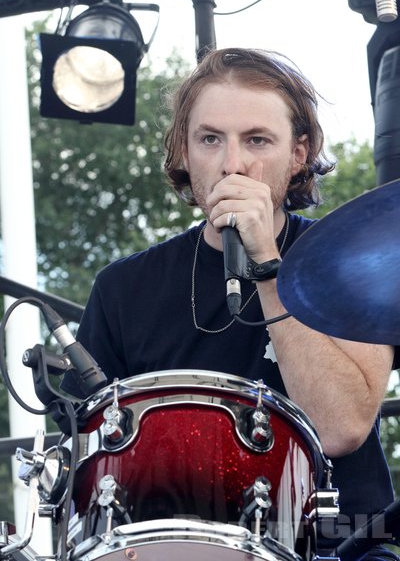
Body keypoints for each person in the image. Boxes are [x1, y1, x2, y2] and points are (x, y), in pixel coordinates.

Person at [71, 48, 399, 558]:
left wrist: (267, 263)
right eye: (209, 139)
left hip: (339, 545)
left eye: (258, 140)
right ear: (183, 151)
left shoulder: (351, 263)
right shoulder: (122, 288)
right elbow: (90, 473)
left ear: (299, 154)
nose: (232, 164)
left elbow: (340, 428)